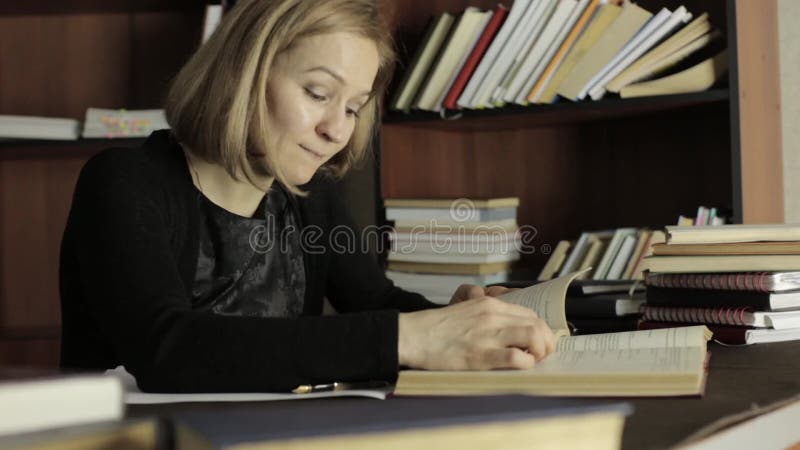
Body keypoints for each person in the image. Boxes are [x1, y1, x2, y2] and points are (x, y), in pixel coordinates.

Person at [59, 0, 555, 393]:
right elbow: (166, 350)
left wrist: (458, 318)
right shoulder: (124, 182)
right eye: (318, 93)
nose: (336, 130)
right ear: (243, 73)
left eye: (354, 107)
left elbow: (374, 302)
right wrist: (417, 336)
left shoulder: (306, 195)